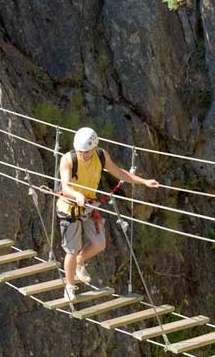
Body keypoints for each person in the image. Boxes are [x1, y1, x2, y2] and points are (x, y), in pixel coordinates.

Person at [57, 127, 159, 301]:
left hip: (88, 206)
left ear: (95, 148)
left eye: (86, 152)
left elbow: (119, 173)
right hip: (69, 208)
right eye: (80, 151)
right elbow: (65, 187)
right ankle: (69, 286)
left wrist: (144, 182)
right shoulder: (68, 160)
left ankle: (80, 261)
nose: (83, 155)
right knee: (71, 251)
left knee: (99, 244)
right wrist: (77, 195)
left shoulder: (101, 156)